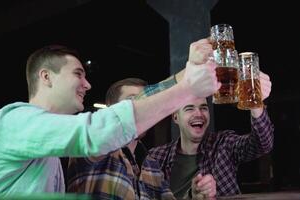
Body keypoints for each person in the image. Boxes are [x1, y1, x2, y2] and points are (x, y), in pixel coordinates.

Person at [0, 42, 219, 196]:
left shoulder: (46, 149)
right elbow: (96, 133)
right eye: (78, 74)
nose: (88, 84)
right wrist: (187, 88)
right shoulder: (12, 120)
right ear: (46, 77)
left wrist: (187, 74)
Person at [67, 38, 217, 199]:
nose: (145, 106)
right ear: (111, 110)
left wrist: (193, 196)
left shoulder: (149, 162)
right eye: (134, 101)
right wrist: (188, 75)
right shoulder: (97, 143)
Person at [146, 71, 274, 197]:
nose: (199, 114)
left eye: (203, 108)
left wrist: (256, 102)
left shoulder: (223, 144)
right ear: (175, 117)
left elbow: (262, 144)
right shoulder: (157, 157)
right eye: (189, 108)